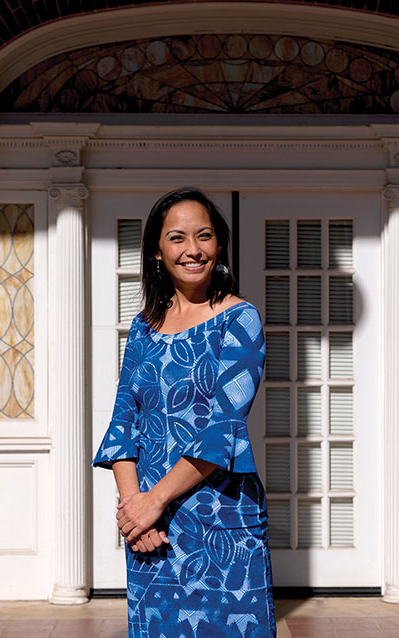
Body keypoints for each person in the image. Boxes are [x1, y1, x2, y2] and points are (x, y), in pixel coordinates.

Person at [92, 187, 276, 638]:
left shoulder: (241, 319)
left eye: (204, 236)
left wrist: (151, 503)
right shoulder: (142, 327)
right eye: (177, 238)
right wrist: (134, 510)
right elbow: (122, 422)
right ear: (157, 252)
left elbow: (223, 428)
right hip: (153, 531)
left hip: (222, 523)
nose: (193, 250)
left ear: (219, 246)